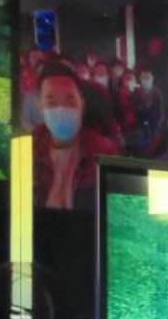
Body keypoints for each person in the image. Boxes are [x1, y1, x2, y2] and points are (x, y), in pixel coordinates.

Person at [33, 58, 119, 209]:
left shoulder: (104, 153)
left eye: (70, 101)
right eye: (51, 103)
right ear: (40, 107)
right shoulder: (28, 149)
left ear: (82, 105)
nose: (61, 110)